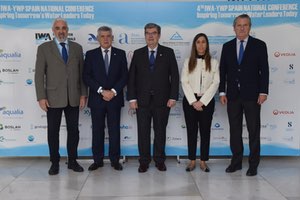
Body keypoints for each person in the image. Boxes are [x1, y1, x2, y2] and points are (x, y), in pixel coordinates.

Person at [34, 18, 87, 175]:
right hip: (53, 98)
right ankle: (54, 162)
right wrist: (41, 97)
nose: (61, 31)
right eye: (57, 28)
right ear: (53, 30)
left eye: (63, 28)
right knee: (53, 131)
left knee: (73, 131)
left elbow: (82, 74)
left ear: (68, 29)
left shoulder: (77, 48)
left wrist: (83, 94)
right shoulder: (44, 48)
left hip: (74, 96)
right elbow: (38, 75)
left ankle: (72, 161)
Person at [219, 14, 269, 176]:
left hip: (253, 96)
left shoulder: (260, 45)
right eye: (239, 25)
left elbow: (265, 71)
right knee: (235, 130)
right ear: (234, 28)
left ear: (250, 27)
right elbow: (223, 71)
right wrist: (222, 92)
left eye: (245, 25)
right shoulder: (227, 47)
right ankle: (236, 162)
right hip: (232, 96)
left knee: (253, 130)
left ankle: (253, 164)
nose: (242, 28)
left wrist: (263, 91)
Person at [127, 23, 179, 173]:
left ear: (159, 35)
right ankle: (144, 161)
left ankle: (159, 160)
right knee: (143, 132)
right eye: (148, 33)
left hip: (162, 101)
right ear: (144, 35)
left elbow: (174, 76)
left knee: (160, 131)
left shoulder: (168, 52)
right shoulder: (138, 53)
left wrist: (173, 96)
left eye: (154, 33)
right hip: (142, 101)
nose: (150, 36)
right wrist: (132, 98)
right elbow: (132, 78)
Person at [83, 26, 128, 171]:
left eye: (108, 36)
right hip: (97, 99)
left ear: (112, 38)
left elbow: (124, 76)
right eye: (102, 36)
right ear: (98, 38)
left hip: (114, 99)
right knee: (97, 131)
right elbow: (86, 76)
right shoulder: (90, 55)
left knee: (114, 131)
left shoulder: (120, 54)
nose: (106, 38)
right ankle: (98, 160)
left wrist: (113, 91)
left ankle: (115, 160)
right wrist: (102, 91)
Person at [181, 33, 220, 172]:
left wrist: (202, 102)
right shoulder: (187, 62)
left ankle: (203, 161)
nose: (201, 45)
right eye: (198, 42)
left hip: (207, 102)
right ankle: (192, 160)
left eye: (203, 42)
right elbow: (184, 82)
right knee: (191, 131)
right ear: (194, 45)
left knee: (205, 131)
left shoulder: (214, 62)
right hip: (190, 102)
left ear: (207, 44)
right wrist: (193, 101)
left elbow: (216, 83)